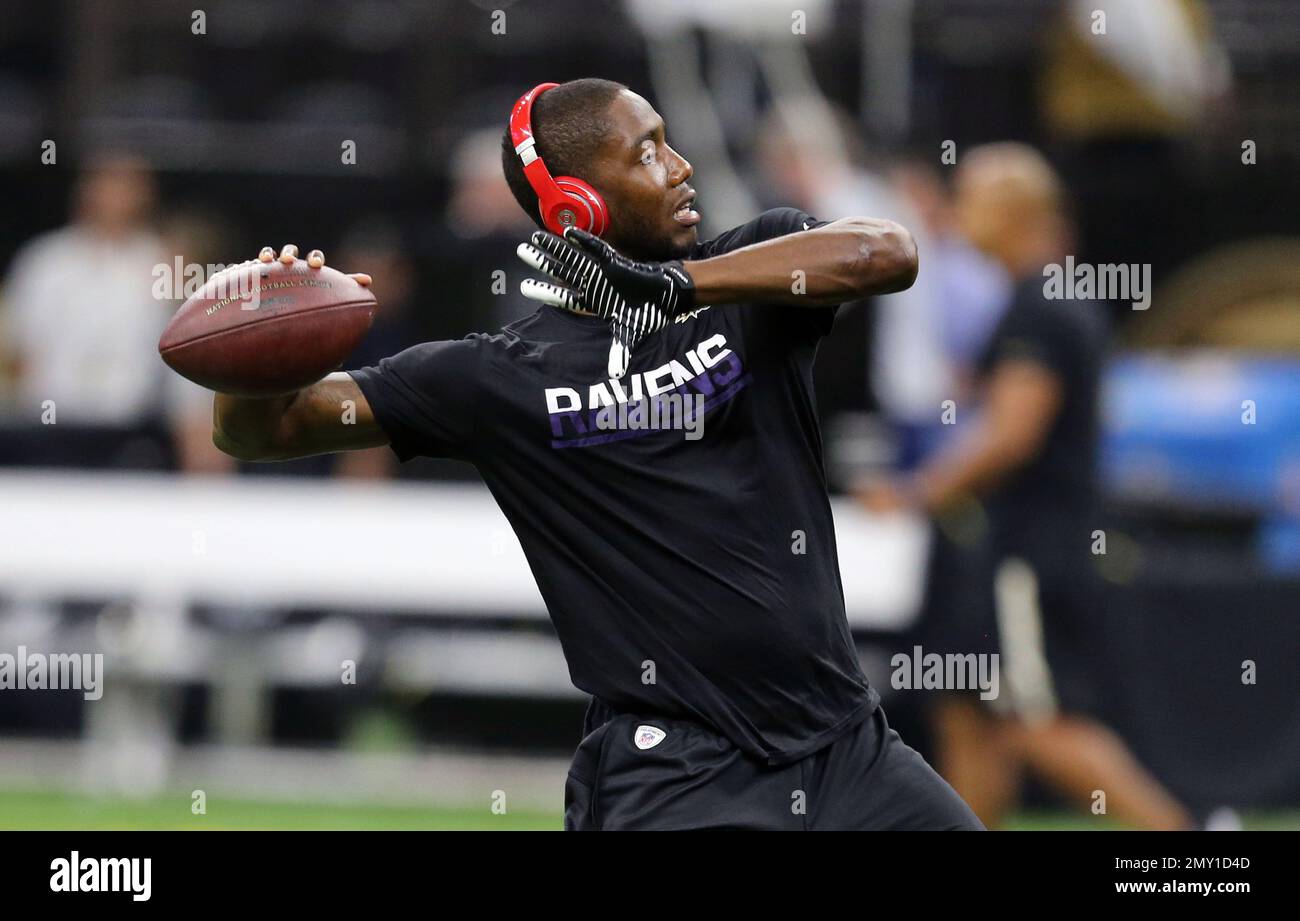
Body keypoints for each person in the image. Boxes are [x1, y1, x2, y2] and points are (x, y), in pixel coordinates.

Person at [207, 78, 982, 830]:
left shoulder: (750, 283)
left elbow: (888, 252)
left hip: (845, 742)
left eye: (670, 144)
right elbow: (260, 431)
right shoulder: (494, 375)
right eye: (647, 152)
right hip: (679, 773)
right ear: (576, 202)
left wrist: (677, 286)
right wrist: (258, 336)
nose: (680, 167)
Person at [857, 142, 1194, 830]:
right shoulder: (1044, 301)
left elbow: (1012, 434)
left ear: (1014, 211)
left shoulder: (1041, 307)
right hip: (998, 550)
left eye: (972, 197)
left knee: (1035, 719)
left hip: (1024, 554)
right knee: (965, 714)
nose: (958, 212)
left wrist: (916, 491)